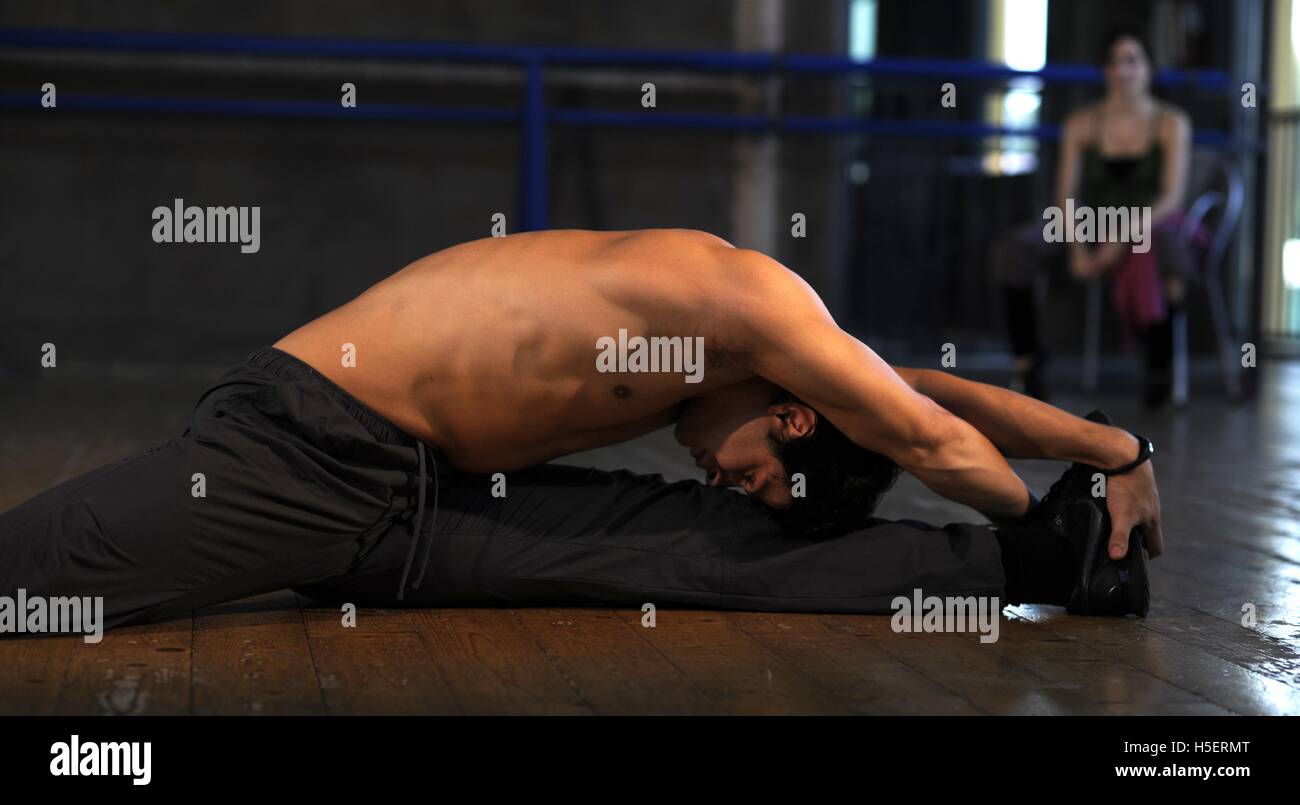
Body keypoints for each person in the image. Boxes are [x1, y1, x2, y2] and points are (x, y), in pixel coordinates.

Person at [0, 228, 1162, 633]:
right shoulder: (747, 307)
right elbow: (921, 436)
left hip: (424, 510)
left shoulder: (766, 358)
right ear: (795, 415)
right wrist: (1056, 511)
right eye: (754, 469)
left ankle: (1032, 571)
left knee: (716, 554)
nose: (717, 470)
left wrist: (1108, 452)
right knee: (34, 577)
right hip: (311, 452)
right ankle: (1052, 552)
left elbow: (927, 397)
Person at [992, 28, 1194, 406]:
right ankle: (1029, 363)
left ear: (1149, 69)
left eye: (1132, 60)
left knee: (1166, 247)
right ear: (1105, 70)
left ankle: (1159, 367)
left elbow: (1171, 197)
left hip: (1149, 222)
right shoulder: (1081, 123)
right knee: (1015, 250)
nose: (1123, 70)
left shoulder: (1171, 123)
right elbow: (1065, 196)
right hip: (1092, 221)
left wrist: (1126, 235)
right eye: (1114, 61)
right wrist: (1078, 249)